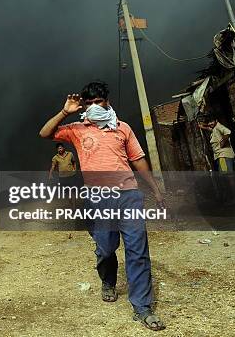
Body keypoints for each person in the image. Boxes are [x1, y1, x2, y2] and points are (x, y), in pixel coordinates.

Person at [39, 81, 166, 331]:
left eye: (99, 102)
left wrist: (155, 187)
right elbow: (44, 133)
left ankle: (142, 307)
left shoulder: (122, 128)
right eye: (90, 103)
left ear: (107, 101)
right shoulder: (76, 129)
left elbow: (138, 160)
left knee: (137, 251)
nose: (95, 107)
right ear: (84, 106)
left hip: (129, 194)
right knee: (106, 248)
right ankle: (108, 281)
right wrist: (66, 112)